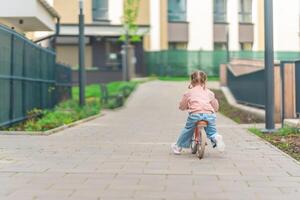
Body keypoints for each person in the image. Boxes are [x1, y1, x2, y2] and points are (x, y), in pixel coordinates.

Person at [171, 71, 225, 154]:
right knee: (212, 132)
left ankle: (178, 147)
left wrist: (183, 107)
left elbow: (182, 106)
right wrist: (215, 109)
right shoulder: (209, 92)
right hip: (209, 115)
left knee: (188, 130)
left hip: (195, 115)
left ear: (192, 80)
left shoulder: (188, 93)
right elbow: (215, 105)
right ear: (205, 80)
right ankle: (216, 137)